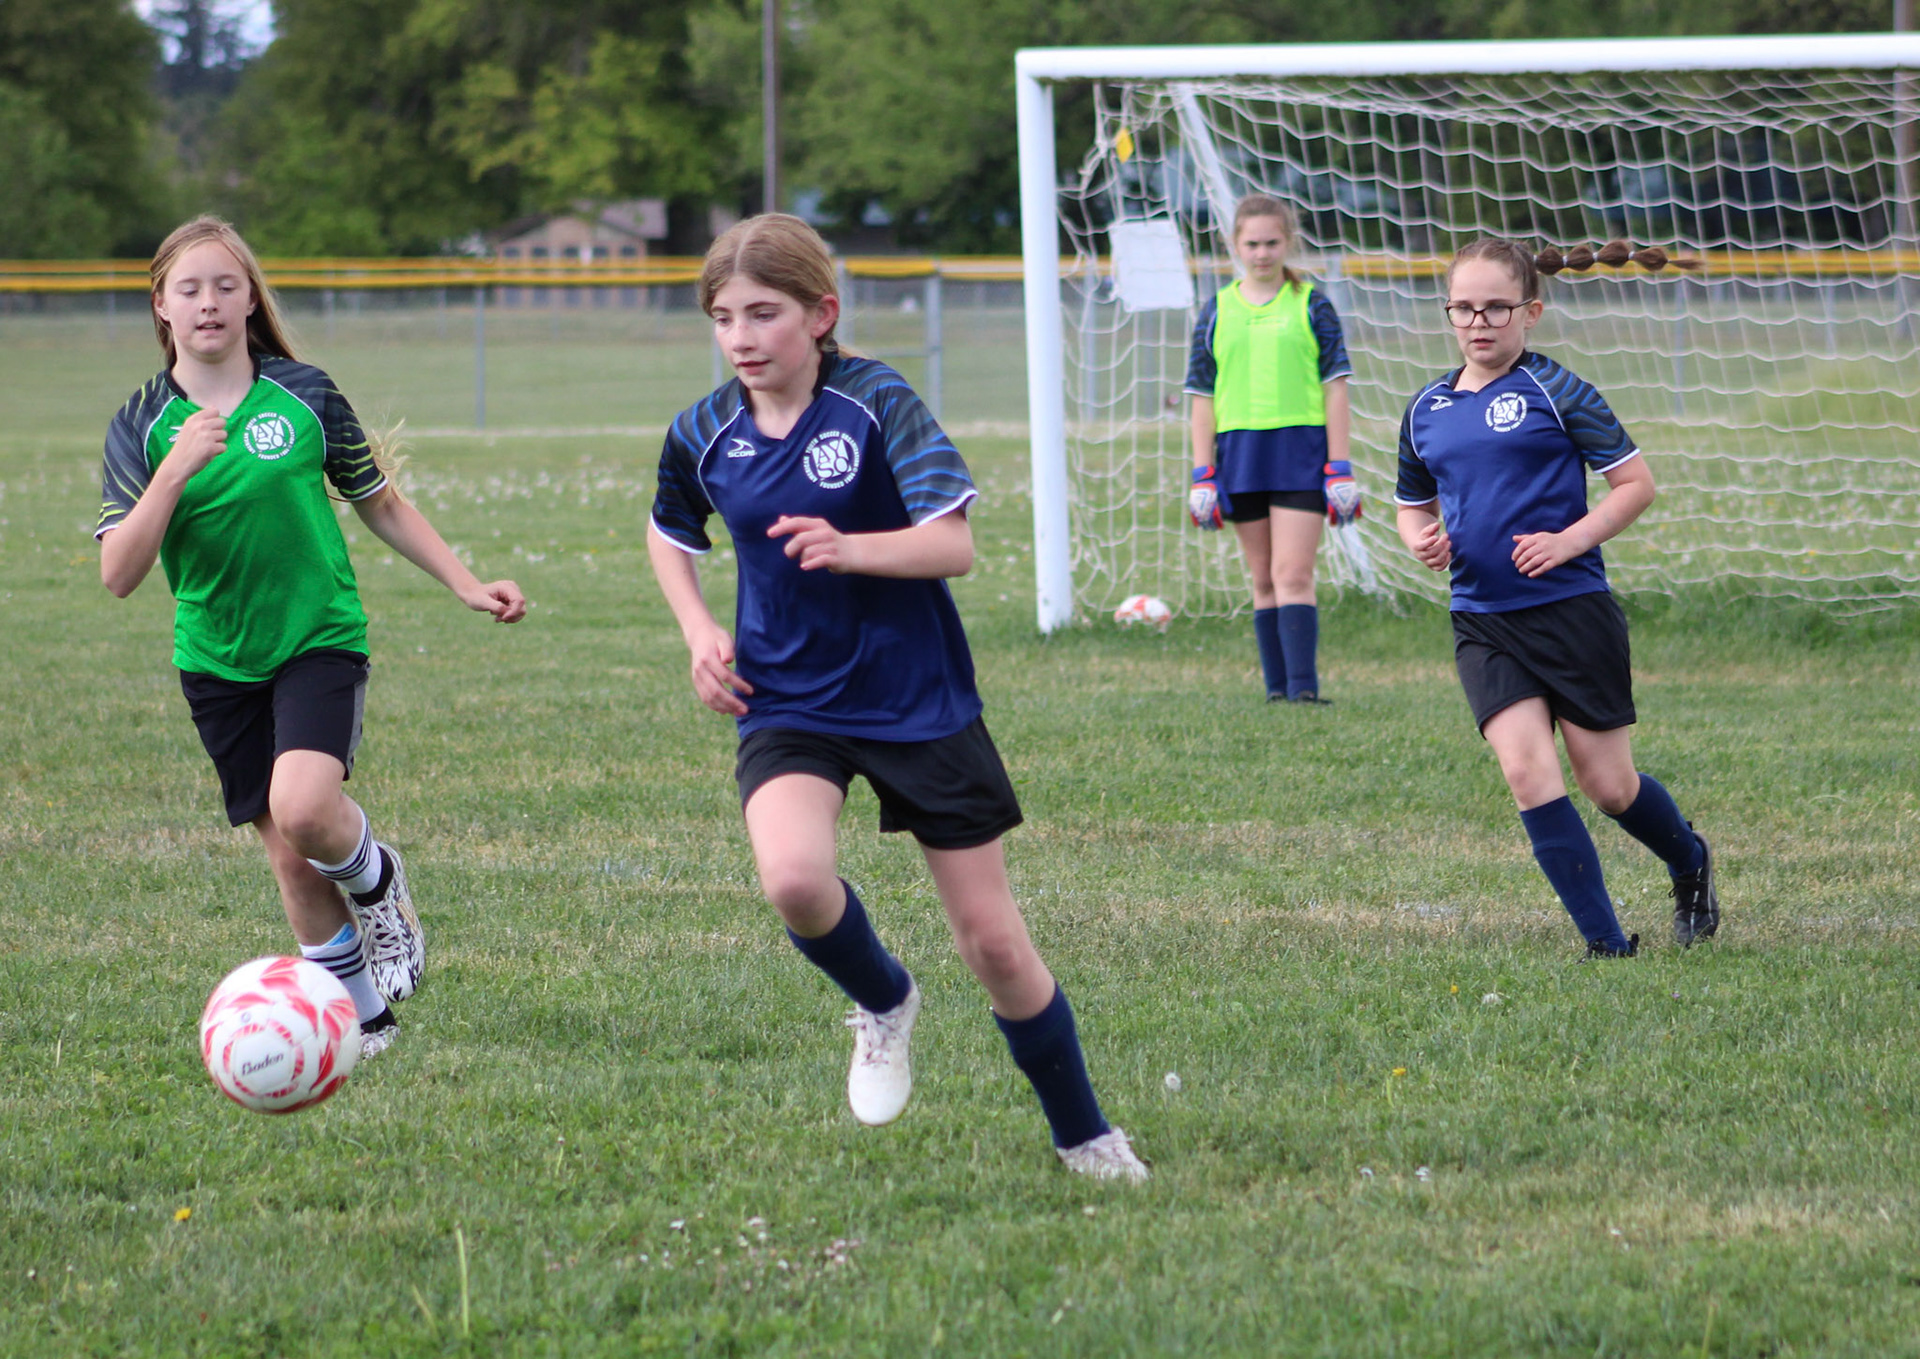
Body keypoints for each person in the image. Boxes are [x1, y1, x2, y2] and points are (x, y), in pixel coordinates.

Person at [647, 214, 1147, 1181]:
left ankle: (1083, 1132)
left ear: (820, 313)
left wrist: (851, 547)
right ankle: (882, 1000)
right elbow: (670, 531)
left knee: (994, 943)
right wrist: (699, 630)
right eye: (724, 317)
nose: (742, 336)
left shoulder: (876, 402)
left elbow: (954, 543)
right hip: (786, 698)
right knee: (794, 880)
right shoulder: (705, 430)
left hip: (917, 696)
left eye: (764, 313)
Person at [97, 216, 527, 1054]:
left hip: (317, 636)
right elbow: (119, 572)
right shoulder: (141, 424)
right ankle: (367, 1025)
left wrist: (467, 584)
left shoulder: (304, 392)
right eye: (190, 288)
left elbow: (380, 502)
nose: (209, 302)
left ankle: (379, 880)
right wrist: (174, 471)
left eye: (226, 285)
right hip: (216, 659)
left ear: (250, 299)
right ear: (161, 306)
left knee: (304, 807)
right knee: (292, 857)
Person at [1393, 238, 1719, 957]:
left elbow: (1635, 485)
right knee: (1525, 771)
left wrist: (1569, 541)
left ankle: (1689, 860)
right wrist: (1421, 539)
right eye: (1463, 308)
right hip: (1482, 620)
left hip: (1571, 612)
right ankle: (1607, 945)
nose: (1479, 322)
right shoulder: (1426, 408)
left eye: (1496, 307)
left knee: (1610, 787)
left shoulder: (1558, 390)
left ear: (1530, 311)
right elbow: (1412, 503)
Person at [1185, 194, 1358, 703]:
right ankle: (1276, 692)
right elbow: (1201, 397)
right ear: (1235, 245)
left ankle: (1304, 690)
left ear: (1288, 242)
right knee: (1263, 579)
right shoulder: (1216, 309)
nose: (1262, 253)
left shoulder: (1313, 305)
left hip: (1301, 452)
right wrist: (1202, 473)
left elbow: (1335, 388)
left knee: (1293, 574)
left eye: (1272, 243)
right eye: (1252, 244)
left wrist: (1340, 466)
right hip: (1240, 456)